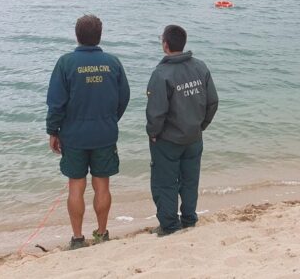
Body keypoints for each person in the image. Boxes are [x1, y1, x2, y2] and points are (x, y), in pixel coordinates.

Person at [46, 14, 130, 249]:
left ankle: (77, 238)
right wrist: (110, 119)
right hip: (104, 133)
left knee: (77, 186)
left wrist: (53, 130)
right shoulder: (113, 63)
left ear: (77, 36)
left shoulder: (66, 63)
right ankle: (102, 233)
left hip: (74, 135)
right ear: (99, 36)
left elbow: (56, 103)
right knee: (102, 185)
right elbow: (124, 97)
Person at [146, 25, 218, 236]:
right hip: (193, 137)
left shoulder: (161, 74)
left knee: (165, 183)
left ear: (165, 45)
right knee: (189, 180)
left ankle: (169, 225)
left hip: (168, 140)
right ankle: (188, 219)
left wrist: (153, 132)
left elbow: (156, 113)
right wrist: (200, 125)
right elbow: (212, 102)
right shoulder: (200, 67)